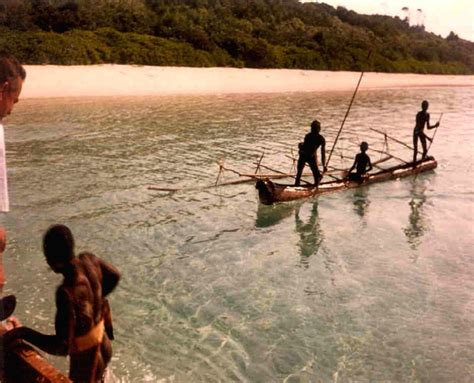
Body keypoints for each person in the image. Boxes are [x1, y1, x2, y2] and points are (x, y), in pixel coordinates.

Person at [4, 224, 121, 382]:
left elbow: (61, 347)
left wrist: (23, 332)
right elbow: (115, 275)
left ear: (52, 260)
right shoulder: (90, 260)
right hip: (104, 348)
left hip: (87, 368)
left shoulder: (66, 293)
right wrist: (96, 303)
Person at [294, 120, 327, 186]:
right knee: (299, 174)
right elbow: (307, 147)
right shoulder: (309, 136)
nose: (313, 129)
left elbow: (322, 153)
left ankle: (316, 183)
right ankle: (297, 186)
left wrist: (324, 165)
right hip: (305, 155)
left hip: (309, 156)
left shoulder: (320, 139)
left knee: (315, 175)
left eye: (316, 128)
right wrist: (300, 146)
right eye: (313, 128)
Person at [413, 100, 439, 164]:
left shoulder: (427, 115)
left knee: (425, 150)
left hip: (421, 132)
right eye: (424, 106)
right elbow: (418, 129)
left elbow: (428, 127)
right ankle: (414, 165)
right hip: (416, 132)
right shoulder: (418, 115)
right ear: (422, 107)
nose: (425, 107)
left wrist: (435, 126)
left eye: (426, 106)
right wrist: (428, 138)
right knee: (415, 150)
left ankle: (421, 163)